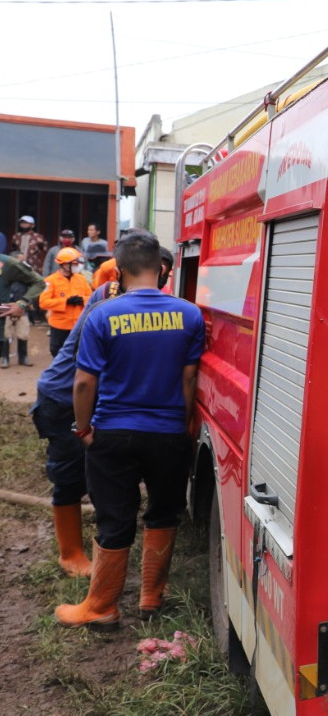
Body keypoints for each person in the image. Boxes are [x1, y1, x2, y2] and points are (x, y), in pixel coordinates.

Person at [54, 232, 204, 630]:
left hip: (113, 434)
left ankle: (102, 607)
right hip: (168, 432)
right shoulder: (190, 315)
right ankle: (152, 596)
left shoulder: (103, 315)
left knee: (114, 518)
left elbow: (84, 383)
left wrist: (84, 429)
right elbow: (189, 380)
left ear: (118, 271)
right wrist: (182, 428)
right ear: (160, 269)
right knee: (163, 511)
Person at [32, 246, 174, 579]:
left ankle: (102, 546)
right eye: (157, 267)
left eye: (163, 269)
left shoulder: (134, 300)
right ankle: (70, 553)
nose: (159, 275)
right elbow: (89, 374)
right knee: (70, 477)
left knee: (97, 476)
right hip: (65, 396)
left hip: (92, 398)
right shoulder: (109, 300)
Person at [40, 248, 93, 357]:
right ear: (64, 264)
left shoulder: (81, 279)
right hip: (59, 326)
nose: (77, 265)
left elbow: (91, 298)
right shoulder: (51, 280)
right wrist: (65, 302)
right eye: (74, 263)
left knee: (78, 354)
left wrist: (82, 300)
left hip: (78, 325)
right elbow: (43, 302)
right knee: (56, 351)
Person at [0, 253, 46, 368]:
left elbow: (39, 282)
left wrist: (22, 303)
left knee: (21, 333)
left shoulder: (8, 264)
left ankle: (21, 357)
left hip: (9, 311)